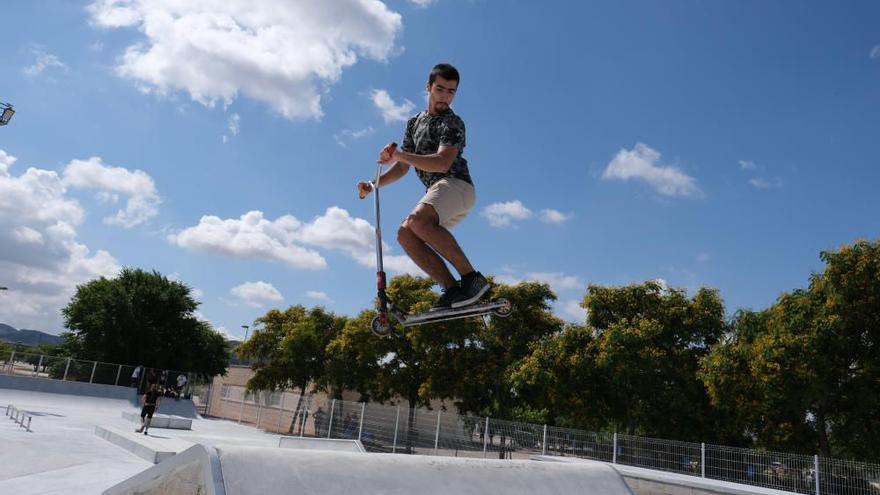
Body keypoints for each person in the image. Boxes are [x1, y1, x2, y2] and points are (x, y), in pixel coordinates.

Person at [358, 63, 489, 311]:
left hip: (456, 185)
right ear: (428, 87)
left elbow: (442, 163)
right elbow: (402, 167)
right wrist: (373, 184)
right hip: (439, 192)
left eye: (451, 92)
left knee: (417, 220)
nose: (445, 96)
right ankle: (453, 291)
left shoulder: (453, 123)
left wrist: (399, 154)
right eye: (440, 89)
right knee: (405, 234)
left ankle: (473, 279)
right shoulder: (413, 123)